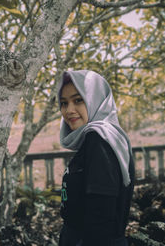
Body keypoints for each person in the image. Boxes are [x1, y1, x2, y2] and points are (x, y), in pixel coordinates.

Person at [57, 70, 135, 246]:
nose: (69, 110)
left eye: (78, 100)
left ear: (96, 99)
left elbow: (101, 216)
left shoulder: (99, 140)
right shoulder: (103, 138)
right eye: (63, 103)